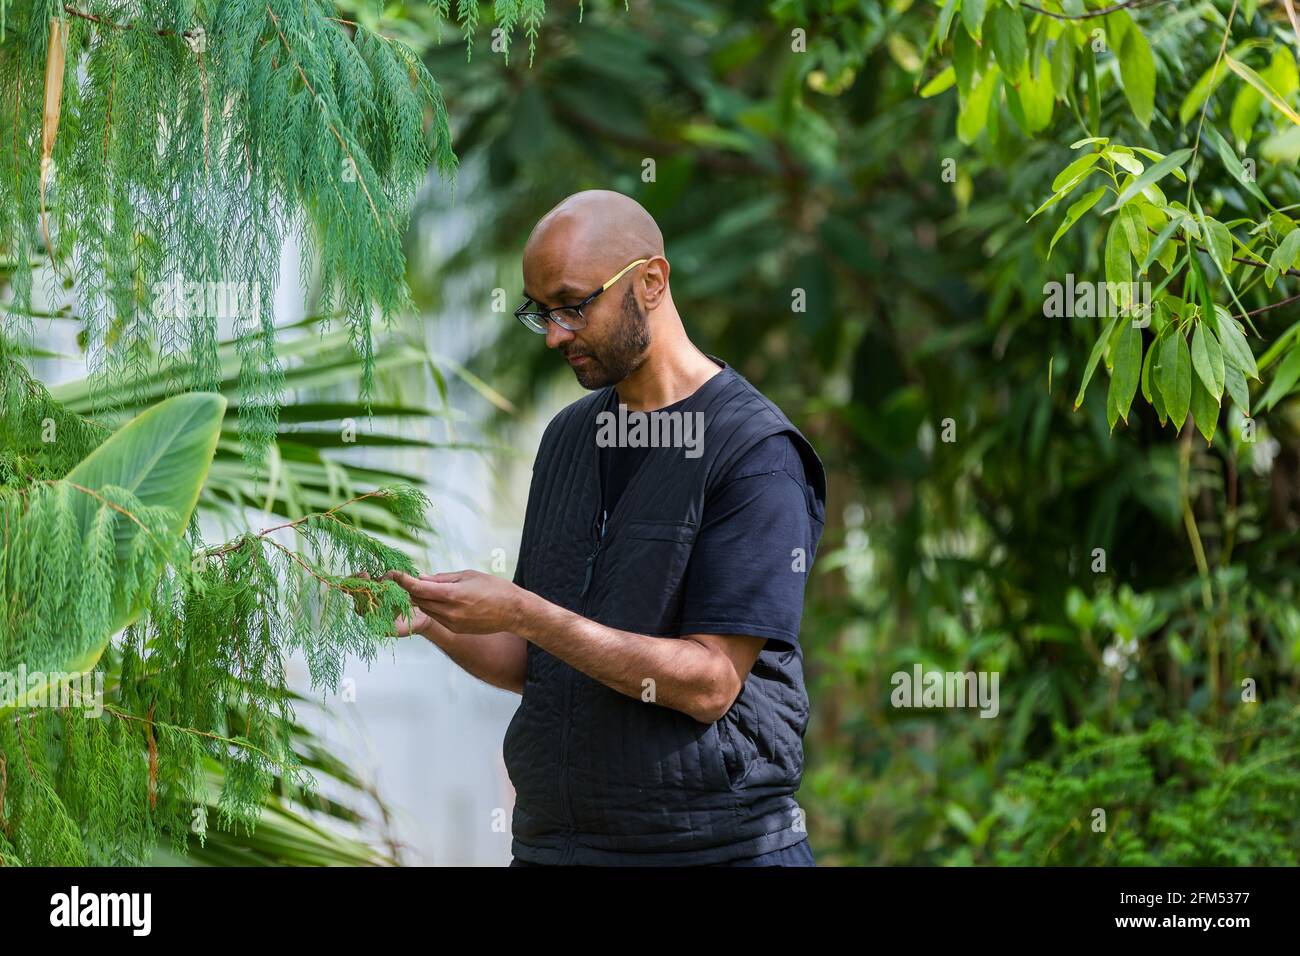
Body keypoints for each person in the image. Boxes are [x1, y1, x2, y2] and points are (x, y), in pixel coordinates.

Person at [377, 189, 827, 866]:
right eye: (541, 312)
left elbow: (710, 683)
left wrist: (528, 612)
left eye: (573, 305)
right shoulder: (568, 440)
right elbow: (543, 664)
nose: (556, 333)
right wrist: (424, 614)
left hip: (708, 852)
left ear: (650, 281)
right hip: (557, 850)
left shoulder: (755, 452)